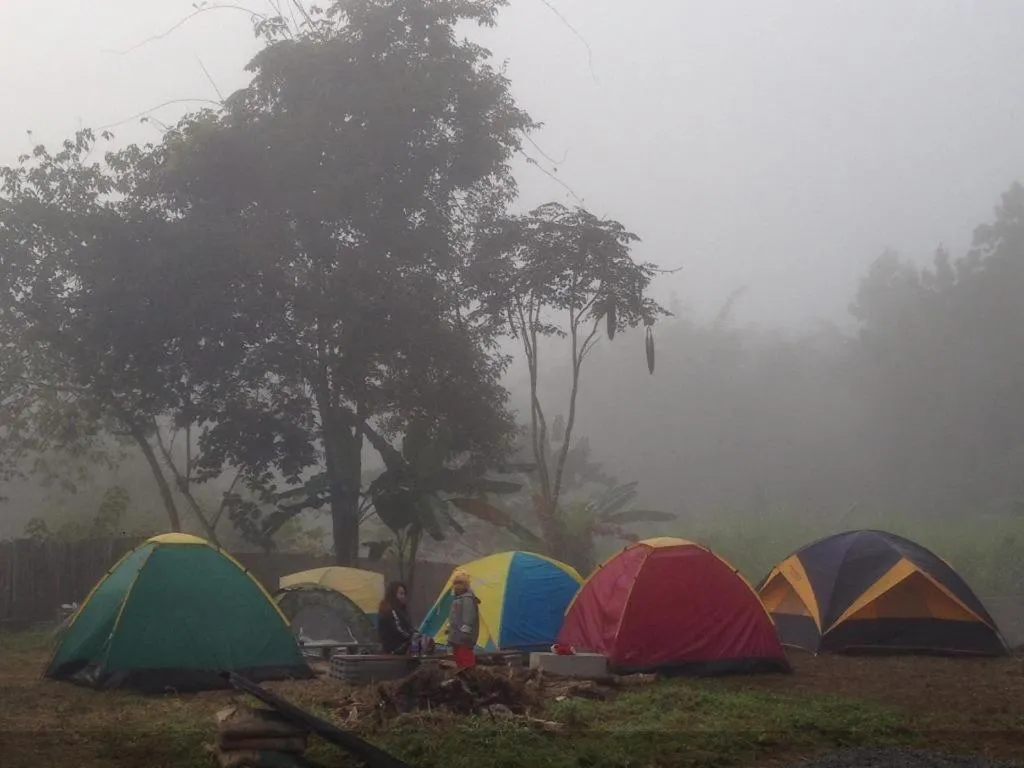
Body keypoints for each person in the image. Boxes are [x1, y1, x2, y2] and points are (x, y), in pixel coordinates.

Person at [445, 569, 480, 670]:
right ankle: (460, 673)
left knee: (465, 657)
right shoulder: (458, 598)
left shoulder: (467, 598)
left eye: (460, 583)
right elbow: (455, 616)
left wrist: (466, 630)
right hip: (456, 634)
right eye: (455, 583)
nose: (457, 586)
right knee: (458, 658)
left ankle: (469, 673)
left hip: (464, 637)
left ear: (466, 585)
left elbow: (468, 615)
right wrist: (449, 626)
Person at [377, 581, 417, 655]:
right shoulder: (390, 611)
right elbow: (399, 629)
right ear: (393, 594)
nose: (403, 596)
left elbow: (408, 628)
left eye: (404, 594)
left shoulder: (401, 611)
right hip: (394, 651)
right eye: (401, 594)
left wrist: (416, 634)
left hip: (402, 649)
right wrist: (412, 636)